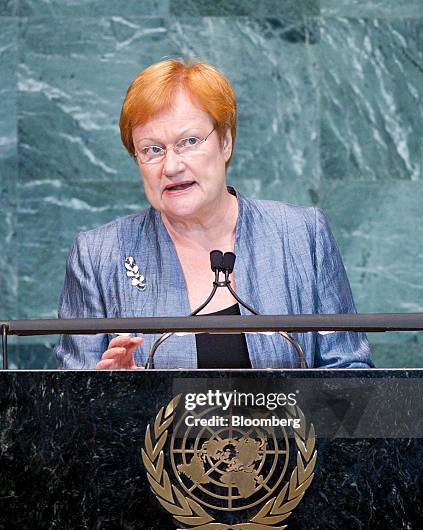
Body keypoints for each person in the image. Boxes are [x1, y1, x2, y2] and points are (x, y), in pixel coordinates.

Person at [54, 59, 373, 370]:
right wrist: (117, 396)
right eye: (152, 149)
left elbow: (350, 371)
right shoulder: (99, 256)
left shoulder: (302, 235)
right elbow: (72, 406)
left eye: (188, 142)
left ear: (225, 143)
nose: (171, 166)